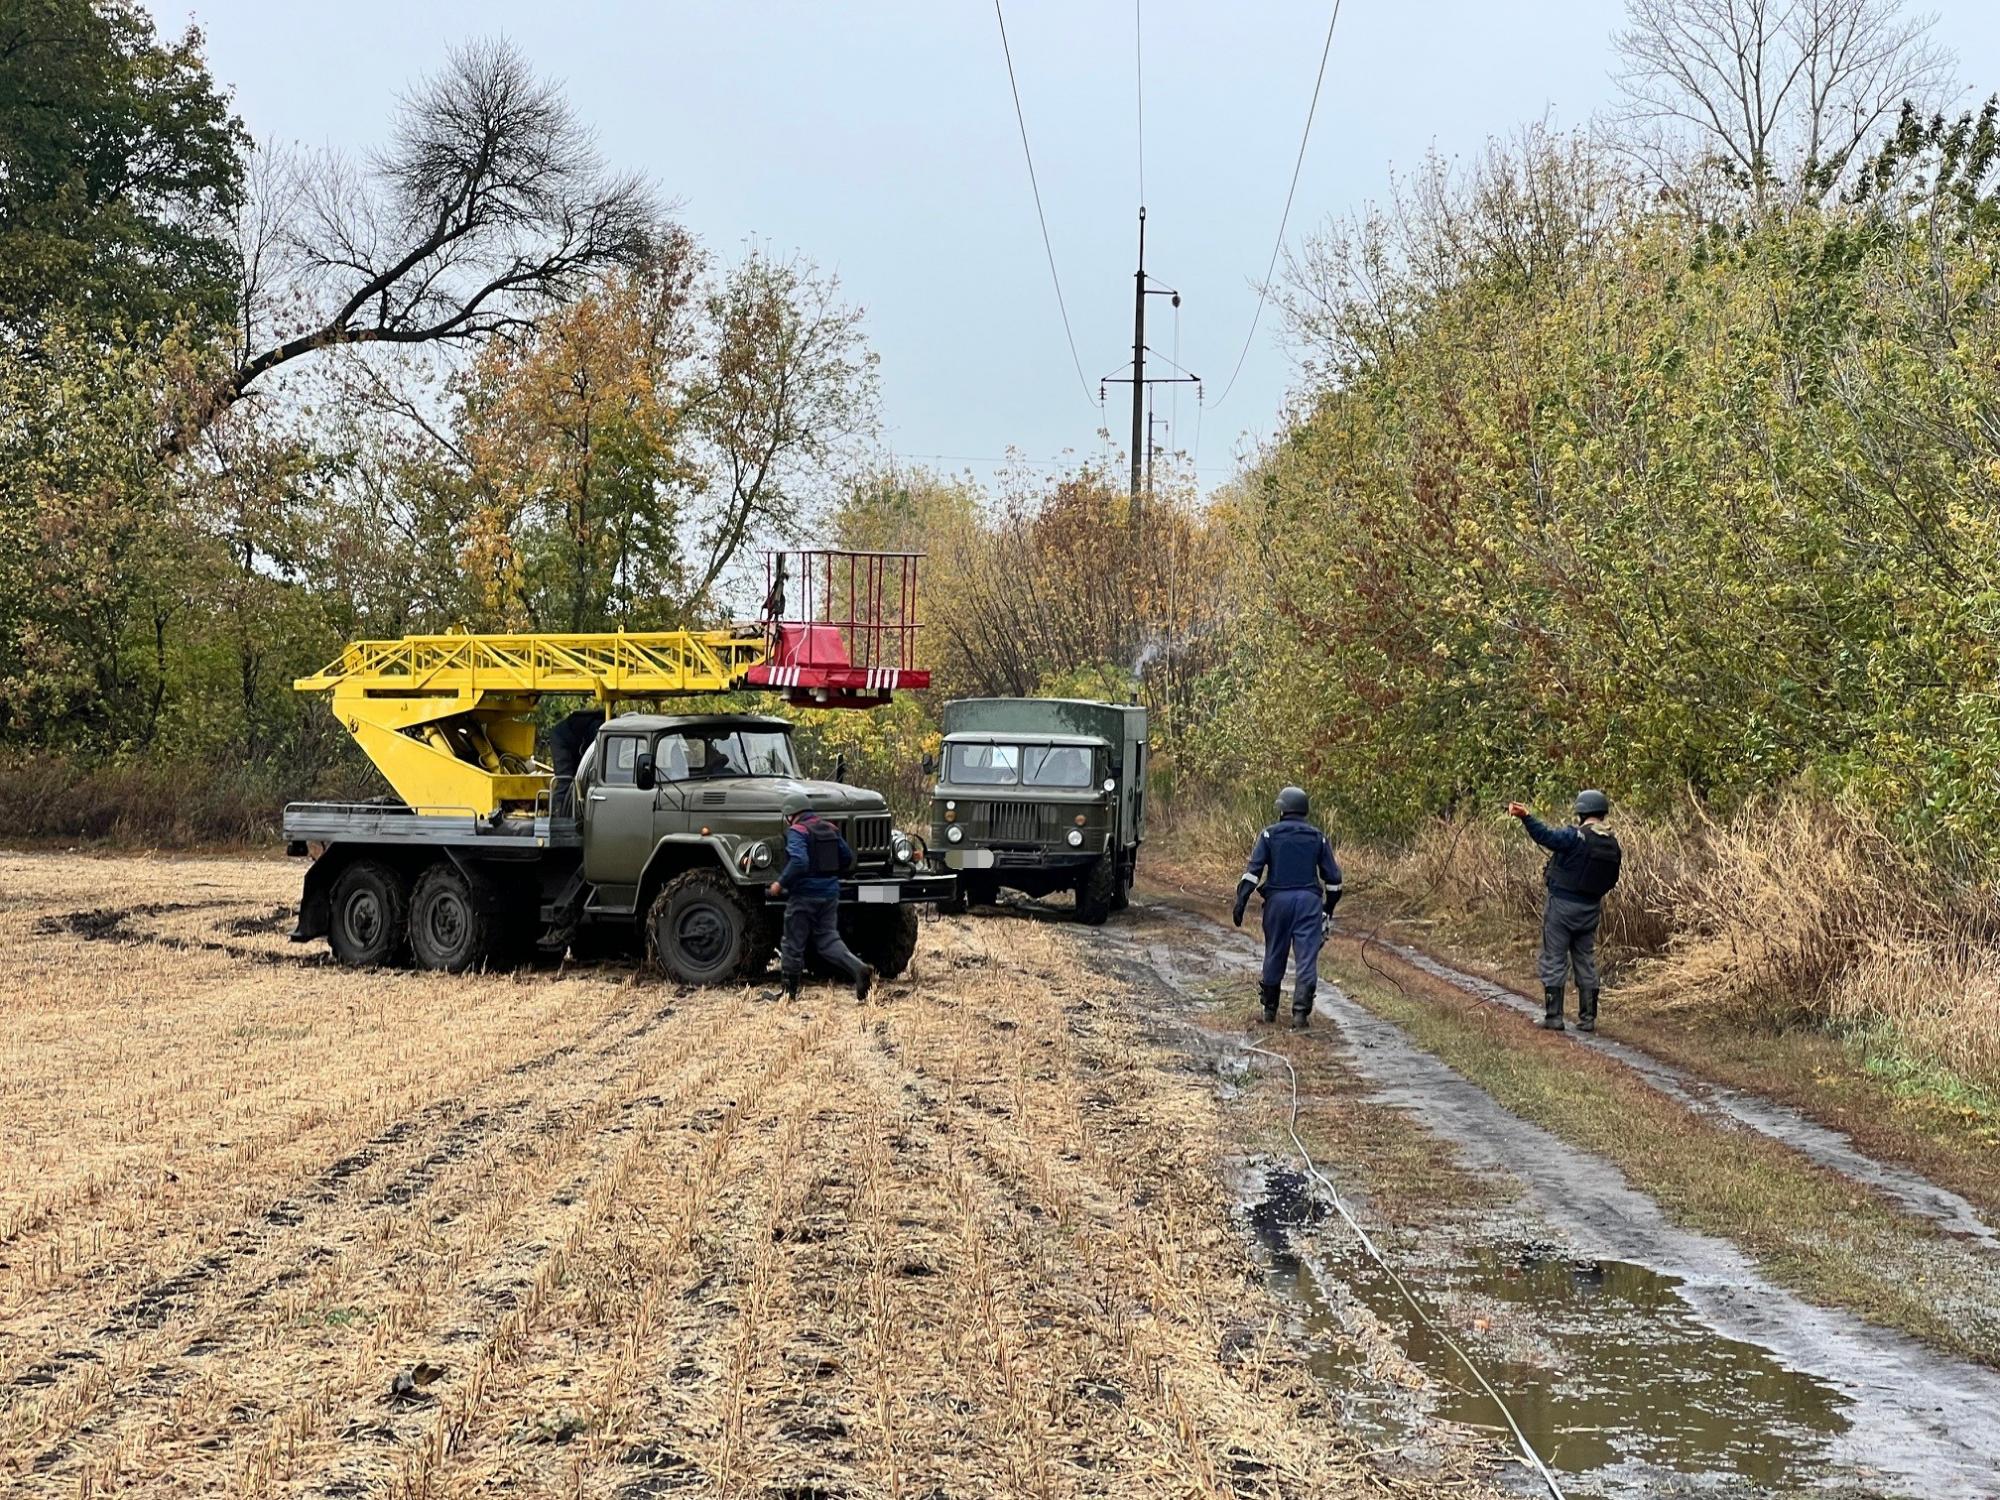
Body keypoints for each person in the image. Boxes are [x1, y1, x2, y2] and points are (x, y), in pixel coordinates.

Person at [1508, 790, 1622, 1032]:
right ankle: (1588, 1019)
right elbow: (1612, 879)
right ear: (1602, 812)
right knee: (1585, 959)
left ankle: (1554, 1017)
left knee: (1554, 958)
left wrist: (1526, 817)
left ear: (1581, 812)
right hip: (1591, 908)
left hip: (1561, 907)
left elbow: (1546, 836)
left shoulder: (1575, 836)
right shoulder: (1611, 842)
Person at [1232, 786, 1343, 1029]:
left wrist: (1241, 900)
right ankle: (1300, 1013)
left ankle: (1269, 1010)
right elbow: (1333, 881)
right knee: (1306, 957)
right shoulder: (1318, 837)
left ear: (1282, 809)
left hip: (1278, 903)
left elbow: (1253, 873)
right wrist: (1328, 908)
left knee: (1275, 952)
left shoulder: (1269, 835)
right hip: (1308, 903)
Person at [769, 791, 875, 1002]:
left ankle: (788, 994)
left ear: (791, 814)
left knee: (792, 942)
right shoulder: (830, 828)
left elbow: (799, 861)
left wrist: (780, 883)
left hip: (804, 895)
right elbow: (847, 858)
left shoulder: (797, 831)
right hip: (830, 893)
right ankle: (858, 968)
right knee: (828, 939)